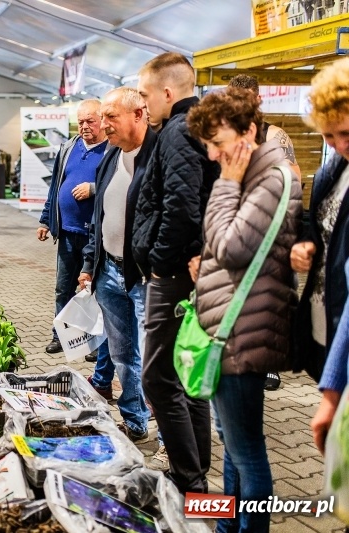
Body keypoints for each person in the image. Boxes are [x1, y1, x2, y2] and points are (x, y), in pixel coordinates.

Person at [186, 86, 302, 533]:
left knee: (248, 452)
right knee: (234, 447)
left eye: (218, 143)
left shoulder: (268, 178)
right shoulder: (253, 172)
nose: (214, 155)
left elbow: (231, 246)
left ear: (249, 131)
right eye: (208, 145)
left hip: (243, 334)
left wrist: (226, 185)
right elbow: (230, 246)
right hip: (235, 326)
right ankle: (227, 526)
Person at [132, 52, 220, 494]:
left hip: (175, 274)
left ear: (168, 92)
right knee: (186, 375)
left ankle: (189, 481)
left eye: (145, 95)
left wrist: (160, 262)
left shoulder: (179, 131)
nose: (143, 104)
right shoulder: (194, 127)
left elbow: (182, 206)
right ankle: (195, 474)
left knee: (157, 378)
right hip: (189, 268)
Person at [79, 87, 155, 443]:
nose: (104, 124)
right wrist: (89, 263)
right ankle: (135, 421)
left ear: (139, 114)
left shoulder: (157, 157)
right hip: (108, 271)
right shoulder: (111, 156)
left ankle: (169, 439)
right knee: (123, 355)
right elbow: (100, 217)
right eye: (103, 117)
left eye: (111, 116)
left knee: (153, 361)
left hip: (144, 277)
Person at [228, 74, 302, 392]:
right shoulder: (227, 135)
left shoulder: (274, 135)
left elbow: (294, 179)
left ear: (258, 100)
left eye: (246, 101)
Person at [297, 58, 349, 457]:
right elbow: (316, 221)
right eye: (328, 136)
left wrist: (332, 391)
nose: (338, 145)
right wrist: (307, 242)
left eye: (345, 133)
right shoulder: (334, 168)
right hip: (326, 325)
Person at [38, 100, 110, 366]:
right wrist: (46, 220)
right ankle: (61, 335)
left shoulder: (112, 150)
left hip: (96, 236)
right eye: (80, 122)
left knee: (94, 290)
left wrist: (93, 188)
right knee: (63, 288)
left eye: (90, 121)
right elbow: (55, 187)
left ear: (102, 120)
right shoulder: (68, 147)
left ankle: (93, 342)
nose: (84, 126)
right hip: (67, 232)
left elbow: (118, 183)